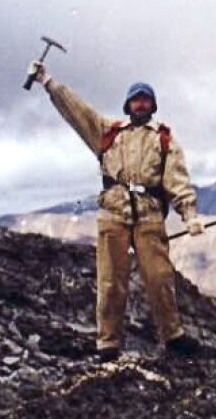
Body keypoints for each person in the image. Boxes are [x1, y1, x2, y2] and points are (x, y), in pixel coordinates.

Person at [27, 59, 203, 361]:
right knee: (110, 282)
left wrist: (189, 215)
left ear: (153, 105)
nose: (140, 104)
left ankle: (172, 335)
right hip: (113, 215)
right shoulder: (108, 133)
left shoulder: (164, 140)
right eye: (136, 99)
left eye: (145, 100)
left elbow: (177, 181)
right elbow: (77, 111)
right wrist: (48, 82)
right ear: (127, 105)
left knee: (159, 278)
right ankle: (108, 343)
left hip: (149, 216)